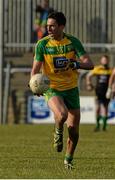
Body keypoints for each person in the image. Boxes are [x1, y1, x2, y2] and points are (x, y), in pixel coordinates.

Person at [30, 11, 94, 169]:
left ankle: (68, 159)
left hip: (71, 89)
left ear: (61, 26)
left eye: (52, 26)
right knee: (62, 115)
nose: (49, 29)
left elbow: (90, 64)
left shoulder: (72, 42)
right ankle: (58, 131)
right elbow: (35, 70)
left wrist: (75, 64)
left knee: (73, 130)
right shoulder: (42, 44)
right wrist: (34, 84)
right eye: (47, 26)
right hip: (52, 88)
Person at [86, 55, 112, 132]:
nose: (105, 61)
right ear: (101, 61)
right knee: (97, 108)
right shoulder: (97, 69)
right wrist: (88, 84)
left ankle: (104, 126)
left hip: (107, 92)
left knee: (105, 108)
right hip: (98, 92)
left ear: (108, 61)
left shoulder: (110, 70)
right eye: (103, 60)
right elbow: (88, 76)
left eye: (106, 60)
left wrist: (111, 89)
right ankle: (97, 125)